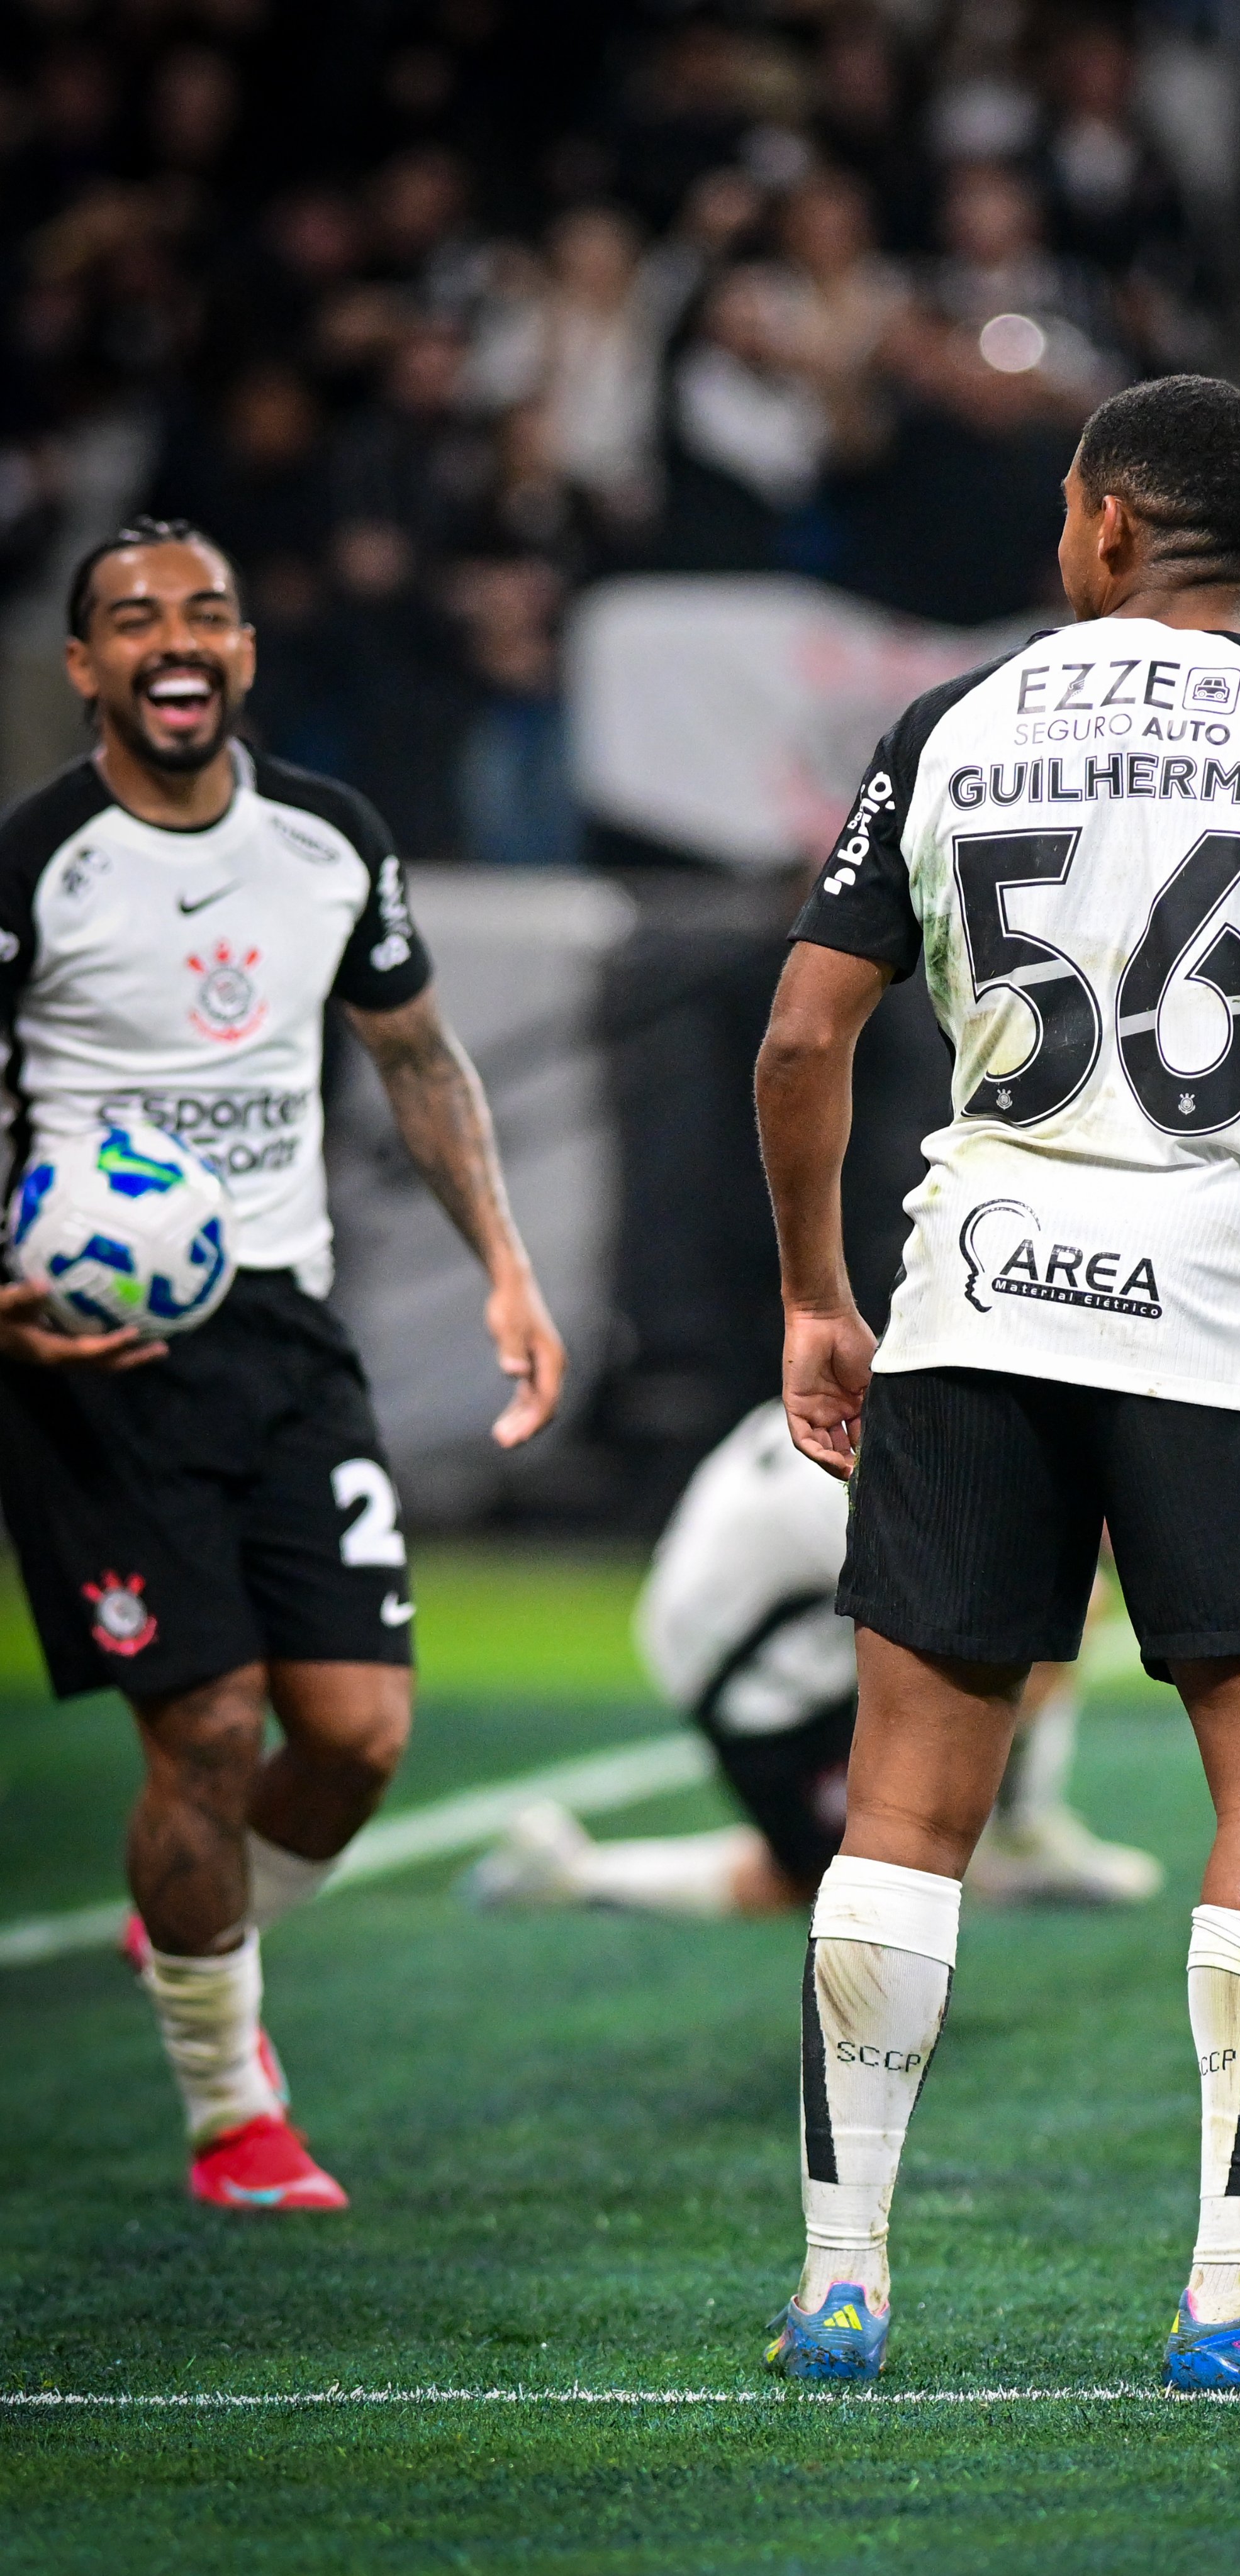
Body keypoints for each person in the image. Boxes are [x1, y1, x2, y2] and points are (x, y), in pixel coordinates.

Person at [752, 374, 1240, 2390]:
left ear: (1102, 524)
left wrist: (816, 1294)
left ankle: (839, 2287)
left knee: (904, 1806)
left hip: (974, 1305)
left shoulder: (947, 727)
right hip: (1224, 1328)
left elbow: (802, 1042)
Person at [0, 517, 563, 2207]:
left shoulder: (329, 840)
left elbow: (419, 1059)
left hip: (288, 1332)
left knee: (358, 1737)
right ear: (86, 664)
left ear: (245, 650)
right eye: (134, 620)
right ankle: (229, 2110)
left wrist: (509, 1269)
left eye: (207, 614)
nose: (175, 640)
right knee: (206, 1725)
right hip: (100, 1357)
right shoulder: (38, 862)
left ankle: (191, 1917)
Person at [464, 1396, 1161, 1917]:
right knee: (834, 1875)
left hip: (742, 1618)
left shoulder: (920, 1415)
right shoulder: (908, 1476)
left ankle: (1017, 1835)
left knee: (1036, 1608)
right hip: (752, 1676)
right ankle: (573, 1875)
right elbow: (976, 1612)